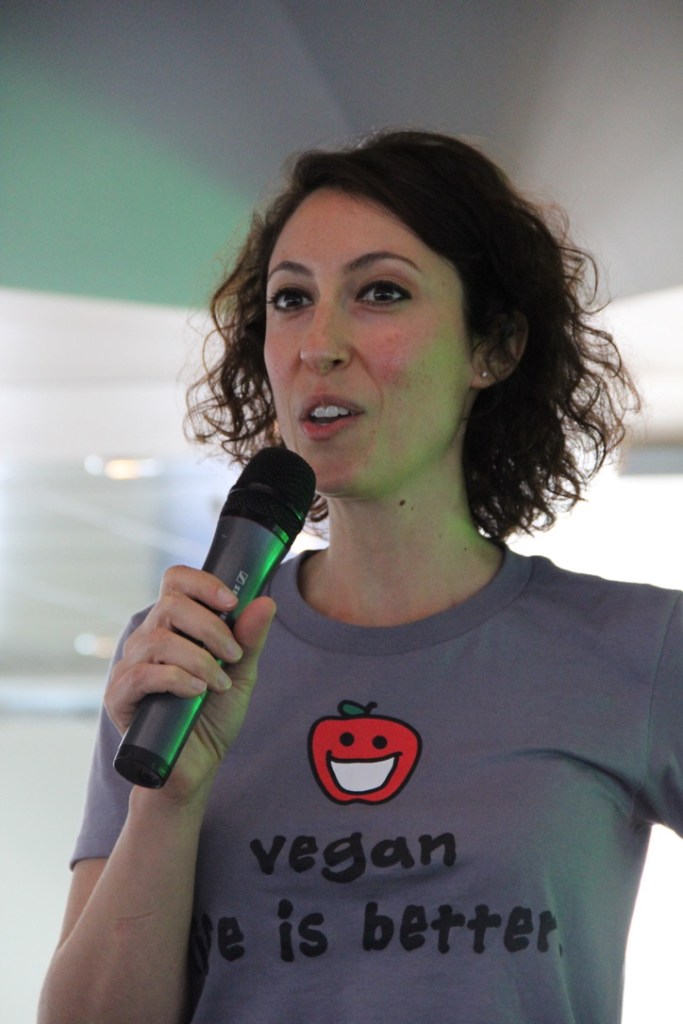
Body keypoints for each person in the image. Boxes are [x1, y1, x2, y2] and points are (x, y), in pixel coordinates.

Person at [39, 129, 682, 1024]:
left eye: (381, 292)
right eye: (291, 299)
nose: (320, 343)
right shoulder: (181, 654)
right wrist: (167, 803)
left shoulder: (641, 649)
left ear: (493, 347)